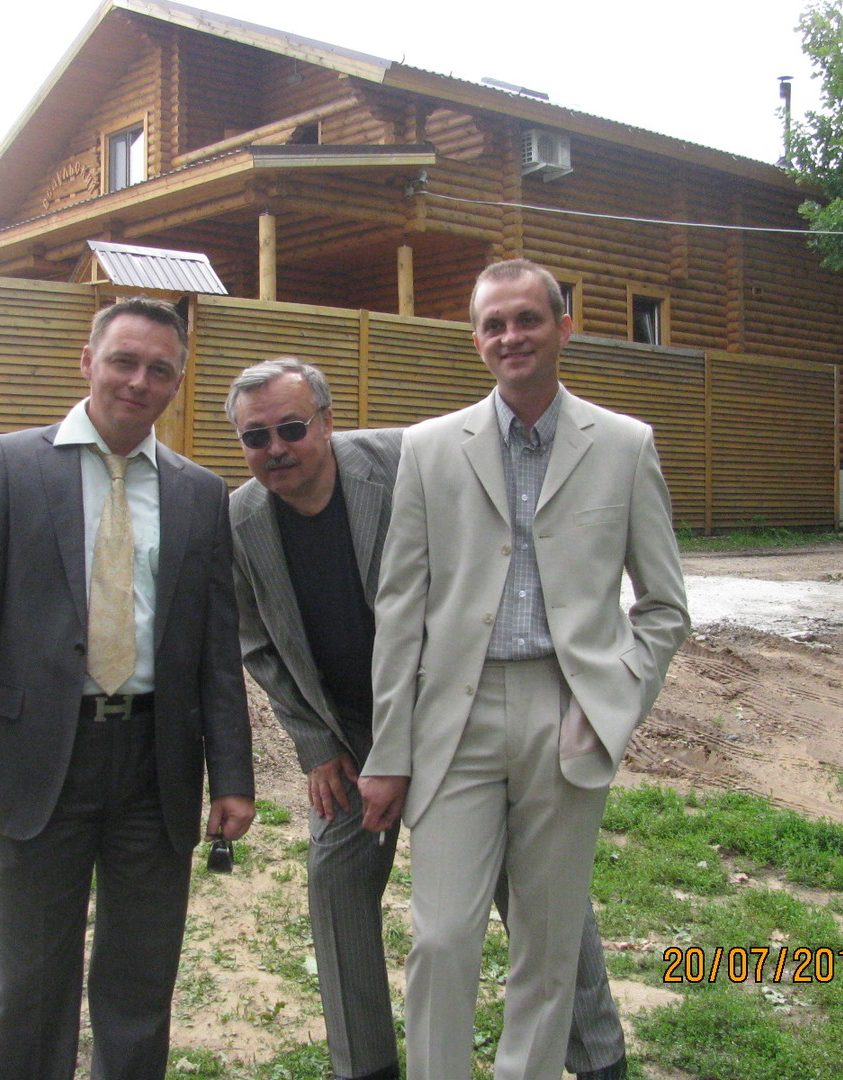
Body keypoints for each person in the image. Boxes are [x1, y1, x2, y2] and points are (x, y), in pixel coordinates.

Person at [227, 357, 629, 1080]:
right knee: (335, 880)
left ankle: (598, 1056)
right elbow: (256, 641)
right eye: (256, 437)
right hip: (350, 738)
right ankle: (366, 1066)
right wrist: (315, 744)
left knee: (533, 889)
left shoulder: (407, 458)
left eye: (291, 428)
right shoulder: (242, 517)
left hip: (457, 713)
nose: (276, 448)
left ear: (327, 421)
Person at [359, 259, 690, 1080]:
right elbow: (400, 610)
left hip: (567, 710)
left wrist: (614, 700)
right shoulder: (429, 448)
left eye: (527, 319)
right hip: (455, 718)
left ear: (563, 327)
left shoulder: (624, 445)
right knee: (442, 938)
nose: (511, 336)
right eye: (494, 324)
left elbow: (664, 605)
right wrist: (388, 750)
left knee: (547, 946)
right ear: (476, 339)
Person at [0, 296, 255, 1080]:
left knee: (141, 981)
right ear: (87, 362)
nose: (139, 381)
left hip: (155, 764)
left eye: (159, 370)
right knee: (32, 981)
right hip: (41, 755)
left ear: (177, 383)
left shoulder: (199, 492)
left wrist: (233, 775)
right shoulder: (13, 465)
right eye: (123, 362)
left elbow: (216, 649)